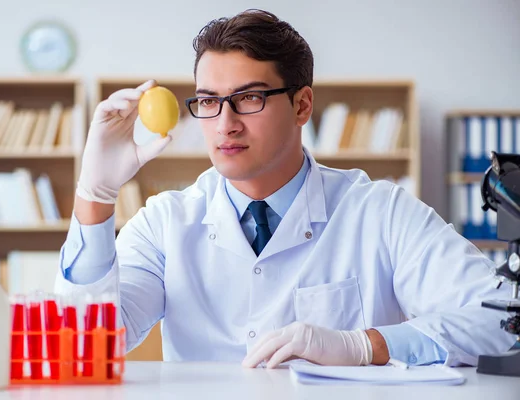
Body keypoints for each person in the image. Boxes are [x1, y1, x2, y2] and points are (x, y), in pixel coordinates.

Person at [54, 9, 515, 368]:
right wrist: (95, 196)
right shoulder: (164, 223)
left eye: (249, 98)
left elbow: (504, 320)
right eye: (210, 102)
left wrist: (364, 345)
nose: (225, 124)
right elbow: (82, 346)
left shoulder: (380, 211)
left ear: (302, 105)